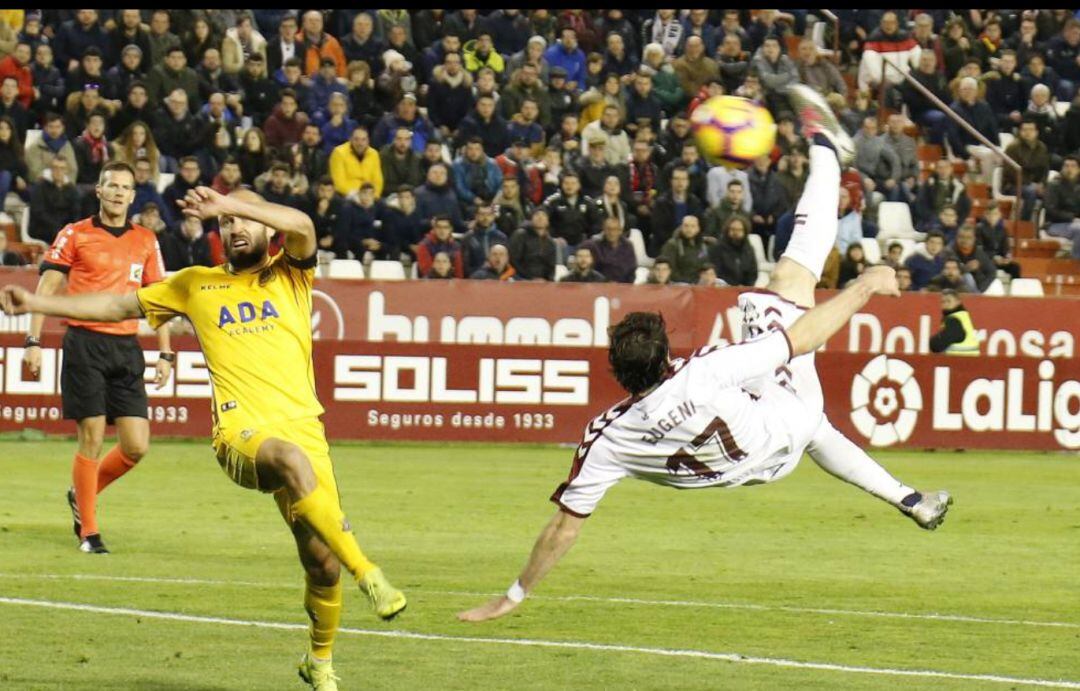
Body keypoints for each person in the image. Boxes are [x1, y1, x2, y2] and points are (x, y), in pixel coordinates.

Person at [456, 86, 951, 624]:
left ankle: (909, 499)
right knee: (787, 280)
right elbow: (803, 337)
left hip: (761, 465)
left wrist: (514, 595)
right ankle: (827, 149)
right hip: (779, 422)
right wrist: (864, 286)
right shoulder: (704, 371)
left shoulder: (608, 437)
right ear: (667, 353)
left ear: (618, 373)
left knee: (810, 416)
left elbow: (564, 527)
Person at [1, 182, 406, 689]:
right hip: (239, 435)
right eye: (225, 224)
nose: (234, 229)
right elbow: (118, 308)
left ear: (264, 226)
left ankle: (319, 662)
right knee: (291, 463)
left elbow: (302, 226)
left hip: (306, 431)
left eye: (243, 220)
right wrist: (39, 303)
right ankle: (369, 572)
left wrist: (232, 202)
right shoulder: (195, 284)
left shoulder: (292, 275)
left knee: (321, 563)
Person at [24, 161, 174, 555]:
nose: (119, 193)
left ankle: (81, 493)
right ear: (99, 191)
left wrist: (165, 353)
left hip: (126, 348)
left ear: (132, 194)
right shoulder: (76, 233)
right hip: (84, 343)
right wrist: (33, 340)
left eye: (126, 187)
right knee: (91, 435)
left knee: (136, 446)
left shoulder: (145, 239)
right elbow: (48, 285)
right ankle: (89, 533)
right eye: (112, 186)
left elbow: (157, 299)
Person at [928, 289, 979, 355]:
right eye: (943, 302)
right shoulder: (963, 315)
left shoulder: (954, 320)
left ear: (958, 301)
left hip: (959, 361)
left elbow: (937, 346)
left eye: (949, 301)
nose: (946, 304)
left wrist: (932, 341)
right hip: (970, 360)